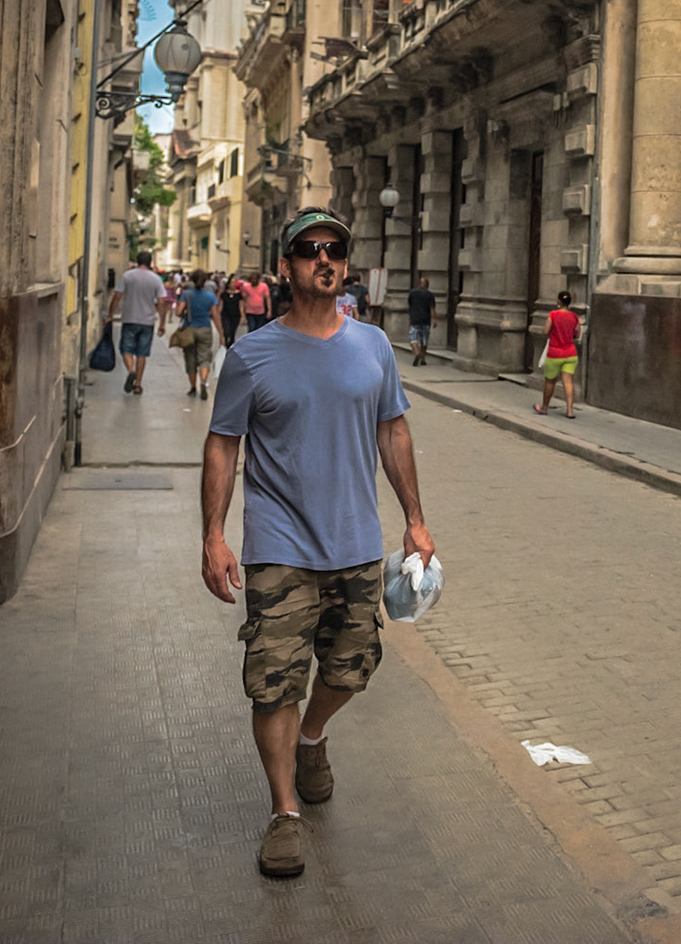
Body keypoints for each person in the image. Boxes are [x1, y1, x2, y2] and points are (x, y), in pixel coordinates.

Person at [201, 206, 435, 879]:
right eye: (309, 249)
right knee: (273, 681)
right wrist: (214, 534)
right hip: (278, 545)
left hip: (356, 541)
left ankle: (313, 737)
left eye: (335, 249)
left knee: (351, 667)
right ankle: (283, 812)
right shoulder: (251, 355)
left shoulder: (374, 347)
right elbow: (223, 445)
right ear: (287, 266)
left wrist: (415, 518)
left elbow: (394, 432)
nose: (324, 259)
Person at [107, 250, 168, 395]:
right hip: (147, 321)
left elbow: (117, 296)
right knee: (142, 353)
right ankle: (138, 385)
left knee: (126, 349)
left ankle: (131, 370)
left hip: (129, 318)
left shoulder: (128, 276)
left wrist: (110, 314)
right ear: (150, 262)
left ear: (137, 261)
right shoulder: (155, 279)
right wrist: (162, 323)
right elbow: (161, 301)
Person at [534, 289, 579, 419]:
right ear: (570, 302)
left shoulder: (553, 315)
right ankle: (570, 410)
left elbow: (546, 330)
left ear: (559, 301)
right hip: (570, 353)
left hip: (555, 353)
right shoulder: (574, 317)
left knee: (550, 381)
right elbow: (577, 334)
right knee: (568, 381)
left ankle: (544, 407)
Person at [179, 270, 219, 399]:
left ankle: (193, 387)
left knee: (190, 357)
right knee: (204, 357)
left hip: (189, 329)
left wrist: (185, 312)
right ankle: (203, 381)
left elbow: (178, 311)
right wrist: (221, 333)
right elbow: (215, 315)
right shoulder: (210, 296)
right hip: (205, 329)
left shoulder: (186, 294)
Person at [406, 275, 436, 366]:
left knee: (413, 339)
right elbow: (432, 308)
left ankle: (416, 353)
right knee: (424, 340)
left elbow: (410, 304)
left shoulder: (413, 293)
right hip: (426, 320)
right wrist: (434, 319)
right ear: (427, 285)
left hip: (415, 319)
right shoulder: (430, 295)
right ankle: (423, 358)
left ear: (419, 284)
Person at [220, 273, 243, 348]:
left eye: (234, 283)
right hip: (225, 314)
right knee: (226, 330)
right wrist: (218, 314)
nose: (233, 284)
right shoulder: (224, 294)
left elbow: (241, 305)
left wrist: (243, 315)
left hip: (235, 315)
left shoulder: (239, 294)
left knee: (232, 331)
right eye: (232, 283)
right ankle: (226, 342)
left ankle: (230, 345)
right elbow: (221, 304)